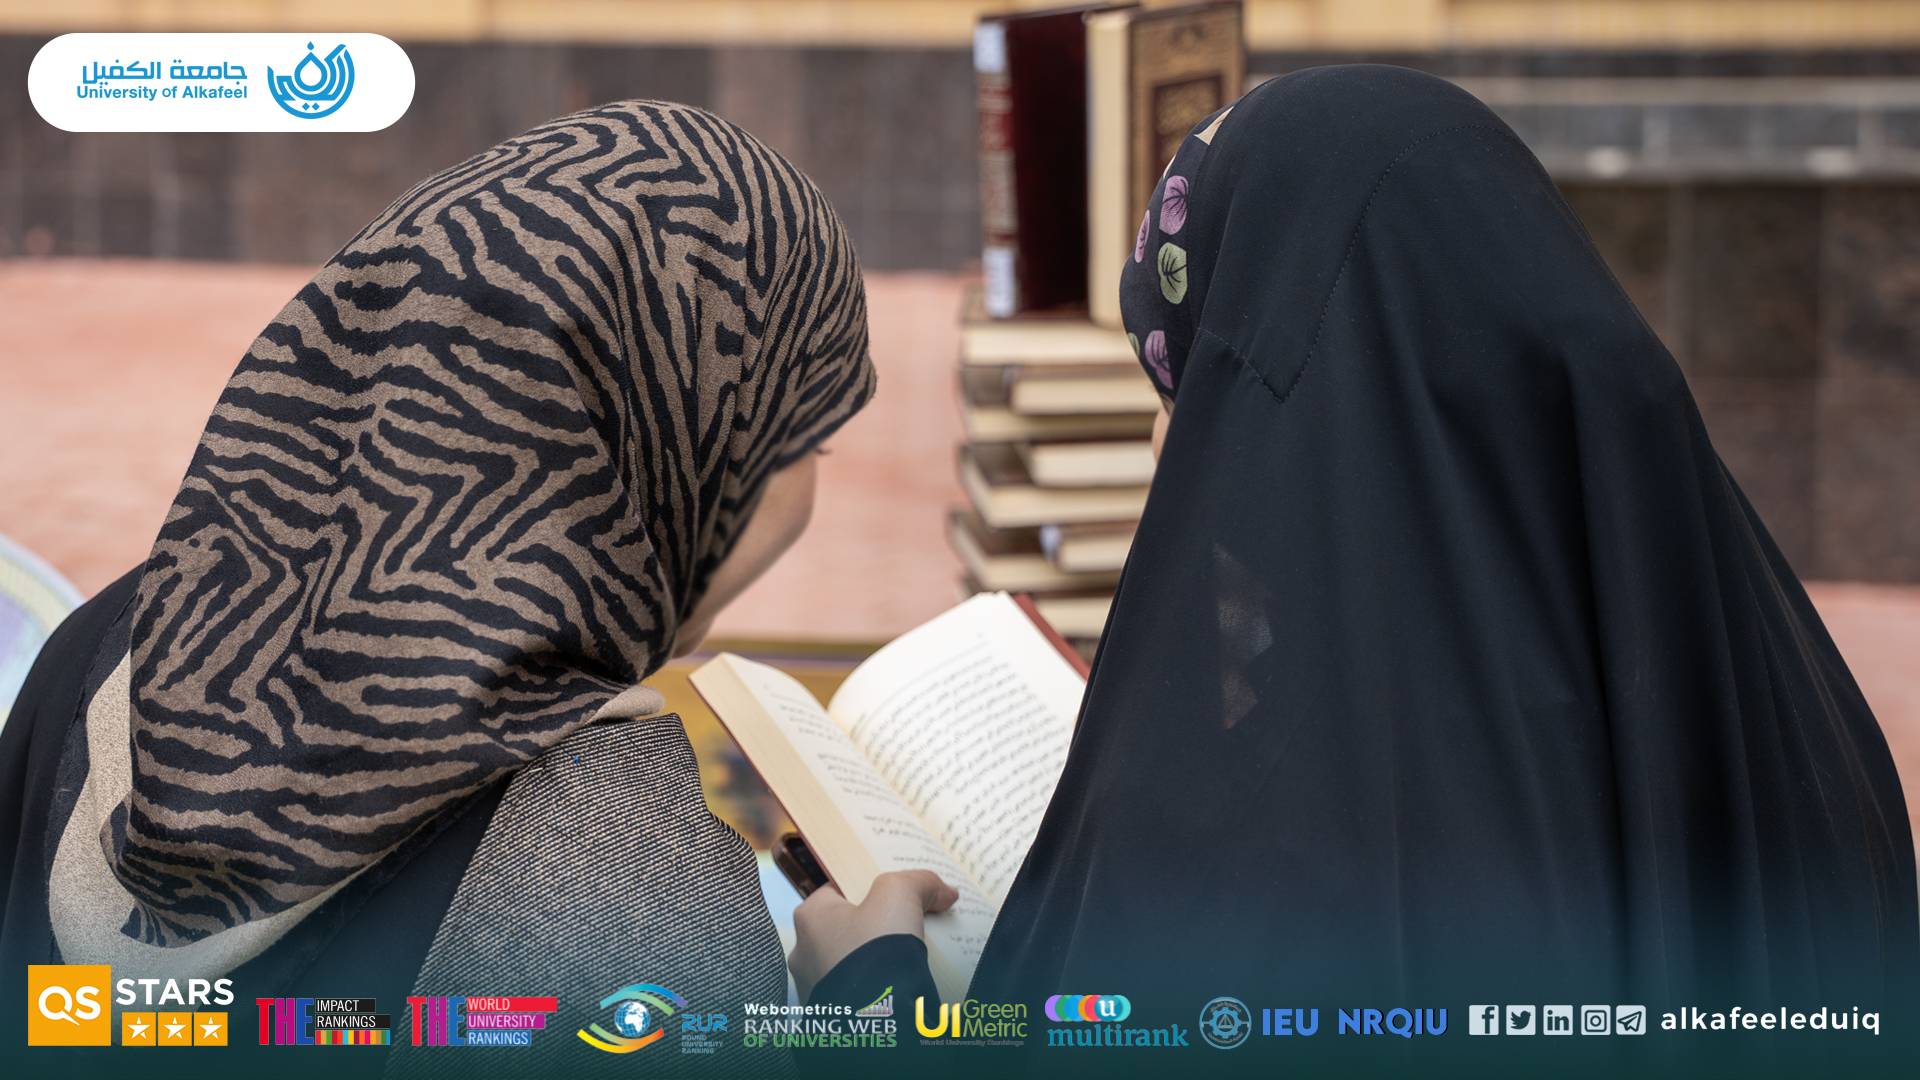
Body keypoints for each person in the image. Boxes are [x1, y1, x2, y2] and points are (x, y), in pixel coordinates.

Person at [790, 65, 1918, 1078]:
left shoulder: (1261, 863)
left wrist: (867, 1005)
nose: (1172, 448)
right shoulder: (1802, 716)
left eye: (1208, 389)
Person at [1, 100, 872, 1079]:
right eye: (810, 433)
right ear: (691, 440)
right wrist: (868, 1012)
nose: (809, 490)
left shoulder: (114, 641)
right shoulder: (628, 873)